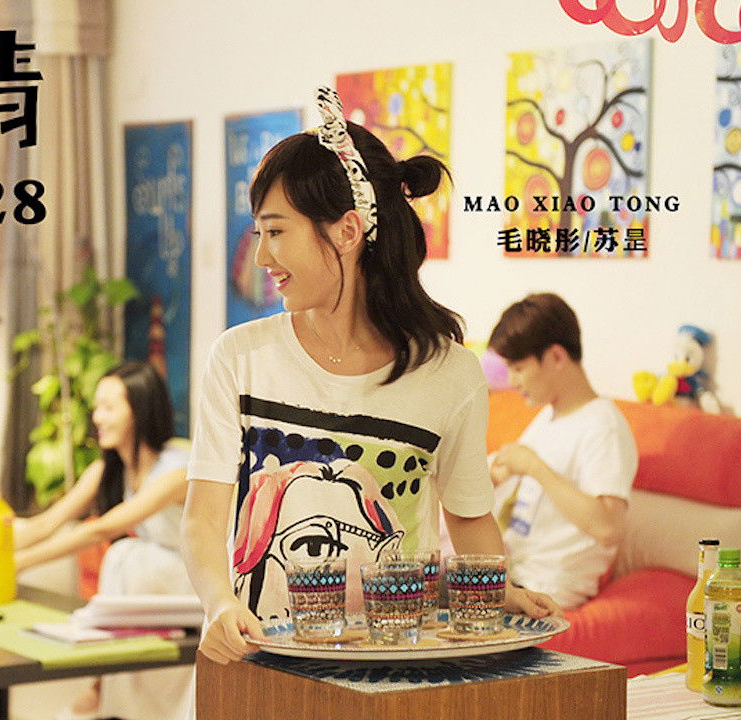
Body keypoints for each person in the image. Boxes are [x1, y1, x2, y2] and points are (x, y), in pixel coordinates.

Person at [181, 87, 558, 667]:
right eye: (259, 234)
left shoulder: (449, 373)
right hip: (263, 665)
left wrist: (498, 590)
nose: (261, 258)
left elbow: (468, 517)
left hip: (396, 669)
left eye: (276, 232)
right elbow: (203, 519)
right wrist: (218, 603)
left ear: (347, 231)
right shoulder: (240, 357)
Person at [14, 360, 193, 720]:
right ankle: (106, 687)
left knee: (124, 553)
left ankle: (101, 685)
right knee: (128, 555)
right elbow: (45, 523)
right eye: (97, 407)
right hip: (156, 584)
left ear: (140, 410)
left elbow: (100, 529)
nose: (98, 417)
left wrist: (17, 564)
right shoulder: (108, 469)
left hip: (192, 581)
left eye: (109, 407)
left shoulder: (177, 470)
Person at [487, 292, 638, 610]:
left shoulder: (602, 426)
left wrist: (534, 467)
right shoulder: (548, 415)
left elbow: (609, 527)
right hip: (511, 577)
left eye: (519, 368)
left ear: (556, 356)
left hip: (543, 588)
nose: (512, 381)